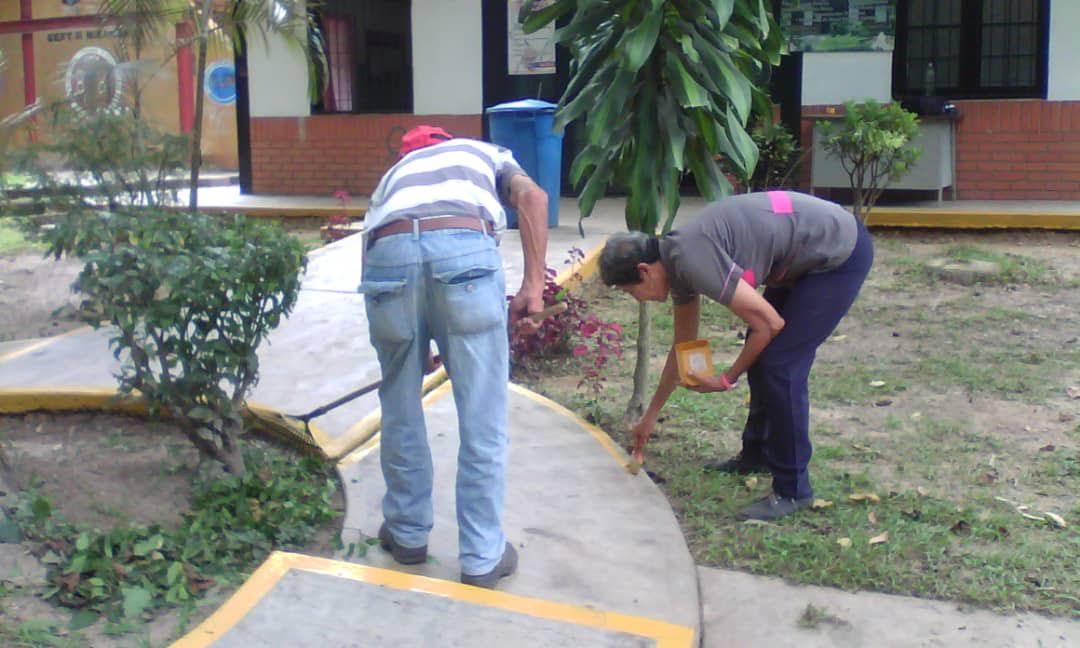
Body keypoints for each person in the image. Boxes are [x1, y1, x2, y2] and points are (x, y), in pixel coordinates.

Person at [599, 191, 873, 520]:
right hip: (801, 255)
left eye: (631, 292)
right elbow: (682, 345)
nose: (637, 300)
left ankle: (793, 489)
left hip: (836, 252)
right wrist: (651, 415)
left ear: (644, 271)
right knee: (765, 358)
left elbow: (769, 324)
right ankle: (756, 453)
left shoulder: (691, 259)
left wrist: (726, 379)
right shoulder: (676, 261)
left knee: (780, 364)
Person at [360, 125, 548, 587]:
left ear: (409, 153)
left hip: (388, 260)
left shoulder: (392, 178)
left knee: (400, 407)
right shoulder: (485, 152)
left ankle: (406, 533)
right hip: (462, 252)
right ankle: (482, 556)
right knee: (482, 415)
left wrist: (407, 339)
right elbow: (533, 199)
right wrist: (533, 287)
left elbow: (372, 251)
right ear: (447, 142)